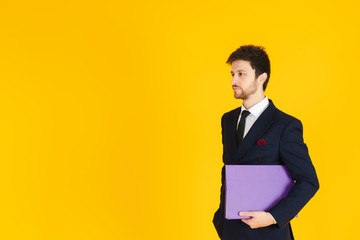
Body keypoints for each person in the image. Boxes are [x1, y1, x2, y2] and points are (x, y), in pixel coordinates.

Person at [212, 45, 319, 240]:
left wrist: (272, 217)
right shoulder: (227, 120)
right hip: (230, 231)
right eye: (232, 74)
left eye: (241, 74)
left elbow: (309, 182)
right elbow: (228, 168)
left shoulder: (285, 125)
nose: (233, 81)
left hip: (267, 232)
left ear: (262, 77)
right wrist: (220, 218)